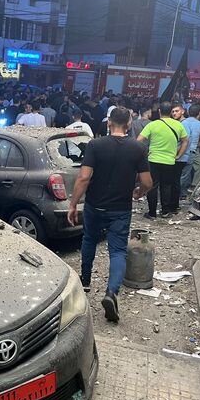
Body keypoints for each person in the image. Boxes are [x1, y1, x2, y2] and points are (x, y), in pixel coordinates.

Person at [68, 107, 152, 322]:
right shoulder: (138, 148)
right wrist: (139, 192)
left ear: (108, 123)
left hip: (95, 206)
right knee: (117, 251)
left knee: (89, 240)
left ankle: (85, 281)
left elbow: (84, 178)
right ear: (129, 124)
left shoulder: (95, 145)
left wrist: (73, 204)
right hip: (120, 209)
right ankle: (111, 292)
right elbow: (147, 182)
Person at [137, 101, 189, 218]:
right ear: (171, 111)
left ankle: (152, 213)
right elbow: (186, 141)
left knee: (152, 186)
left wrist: (144, 153)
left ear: (159, 111)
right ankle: (165, 211)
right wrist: (179, 155)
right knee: (166, 186)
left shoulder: (153, 124)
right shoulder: (178, 125)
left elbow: (138, 140)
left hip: (153, 160)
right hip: (170, 161)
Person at [177, 103, 200, 198]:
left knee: (181, 172)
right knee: (189, 171)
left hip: (180, 149)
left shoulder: (183, 122)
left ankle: (180, 191)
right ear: (199, 113)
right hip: (192, 150)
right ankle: (186, 190)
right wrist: (197, 146)